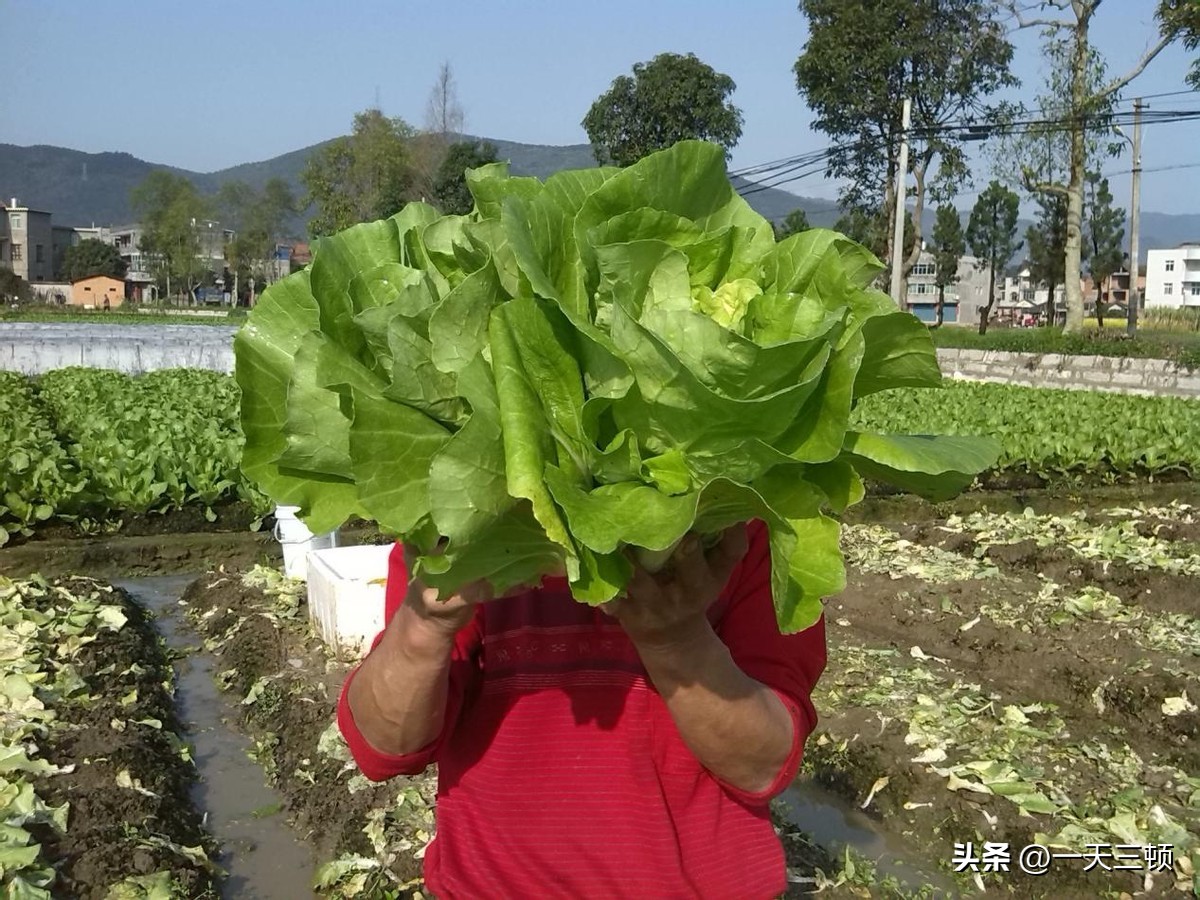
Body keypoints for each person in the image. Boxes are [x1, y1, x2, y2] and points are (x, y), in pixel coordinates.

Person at [338, 520, 827, 898]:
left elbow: (761, 765)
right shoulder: (458, 531)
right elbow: (385, 747)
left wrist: (677, 640)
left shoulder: (743, 532)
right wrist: (425, 627)